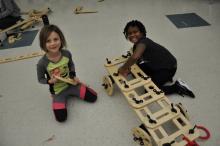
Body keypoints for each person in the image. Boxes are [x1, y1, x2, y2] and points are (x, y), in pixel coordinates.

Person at [118, 20, 195, 98]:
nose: (132, 35)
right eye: (130, 33)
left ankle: (177, 87)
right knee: (139, 67)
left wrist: (123, 68)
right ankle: (164, 78)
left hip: (168, 68)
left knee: (150, 90)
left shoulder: (143, 42)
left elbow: (135, 57)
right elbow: (138, 58)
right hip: (164, 64)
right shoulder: (138, 44)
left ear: (142, 32)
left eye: (135, 32)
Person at [37, 24, 97, 122]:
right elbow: (40, 79)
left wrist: (73, 75)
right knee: (61, 118)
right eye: (48, 41)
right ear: (43, 44)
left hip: (71, 84)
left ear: (61, 39)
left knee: (93, 98)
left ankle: (75, 91)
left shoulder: (66, 54)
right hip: (58, 92)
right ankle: (59, 99)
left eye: (56, 39)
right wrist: (50, 81)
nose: (53, 43)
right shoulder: (42, 63)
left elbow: (71, 65)